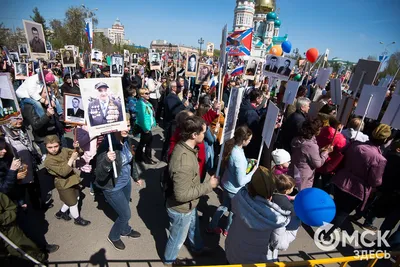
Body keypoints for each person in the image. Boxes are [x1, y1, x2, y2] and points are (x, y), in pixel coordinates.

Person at [163, 116, 219, 265]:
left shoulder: (184, 146)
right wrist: (209, 185)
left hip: (189, 205)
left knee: (192, 229)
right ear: (194, 135)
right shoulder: (184, 162)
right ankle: (169, 261)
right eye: (204, 133)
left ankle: (197, 247)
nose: (205, 136)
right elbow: (181, 195)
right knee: (177, 239)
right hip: (181, 209)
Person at [324, 124, 391, 239]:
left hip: (341, 179)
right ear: (385, 140)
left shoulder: (355, 144)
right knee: (343, 212)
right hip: (356, 189)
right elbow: (375, 180)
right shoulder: (379, 159)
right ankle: (327, 233)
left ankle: (325, 226)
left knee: (336, 205)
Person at [225, 167, 301, 263]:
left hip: (234, 252)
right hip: (256, 261)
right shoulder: (276, 218)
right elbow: (280, 244)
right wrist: (294, 228)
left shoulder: (239, 198)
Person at [95, 114, 142, 251]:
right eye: (123, 125)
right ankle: (114, 236)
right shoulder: (106, 145)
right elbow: (99, 175)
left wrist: (136, 176)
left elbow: (130, 162)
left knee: (124, 208)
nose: (127, 128)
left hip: (125, 182)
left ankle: (125, 230)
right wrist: (107, 161)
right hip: (112, 187)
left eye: (128, 125)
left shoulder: (126, 140)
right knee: (125, 214)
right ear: (114, 127)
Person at [207, 126, 256, 236]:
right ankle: (227, 230)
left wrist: (247, 161)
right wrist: (252, 172)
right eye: (249, 140)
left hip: (227, 184)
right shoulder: (237, 155)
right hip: (234, 189)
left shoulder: (233, 149)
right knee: (233, 211)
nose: (250, 142)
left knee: (223, 206)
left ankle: (212, 226)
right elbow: (240, 181)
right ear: (243, 140)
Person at [43, 135, 90, 226]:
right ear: (45, 147)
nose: (54, 149)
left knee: (76, 198)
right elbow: (63, 172)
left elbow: (79, 153)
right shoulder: (48, 161)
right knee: (73, 203)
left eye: (56, 146)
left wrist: (77, 148)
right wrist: (72, 158)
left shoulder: (63, 150)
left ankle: (61, 213)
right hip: (63, 184)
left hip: (72, 179)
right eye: (50, 147)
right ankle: (77, 219)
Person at [0, 192, 59, 262]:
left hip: (10, 231)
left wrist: (2, 218)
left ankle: (40, 258)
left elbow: (13, 209)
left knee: (28, 247)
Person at [1, 118, 42, 209]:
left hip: (30, 161)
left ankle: (38, 205)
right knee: (22, 189)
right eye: (15, 119)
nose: (19, 121)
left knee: (34, 186)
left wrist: (36, 154)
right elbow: (9, 154)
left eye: (20, 118)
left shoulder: (23, 129)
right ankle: (23, 209)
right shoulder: (5, 135)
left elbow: (30, 144)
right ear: (8, 121)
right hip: (19, 165)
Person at [288, 118, 332, 191]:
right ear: (316, 130)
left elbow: (306, 153)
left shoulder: (297, 139)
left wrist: (320, 150)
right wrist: (326, 152)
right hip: (303, 176)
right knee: (299, 195)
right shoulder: (310, 145)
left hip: (294, 169)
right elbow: (318, 164)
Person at [135, 88, 156, 164]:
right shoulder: (141, 104)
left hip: (147, 126)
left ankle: (140, 157)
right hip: (145, 127)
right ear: (141, 95)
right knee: (147, 143)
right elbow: (141, 117)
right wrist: (146, 128)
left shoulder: (146, 102)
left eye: (148, 93)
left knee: (144, 143)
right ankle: (146, 158)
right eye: (146, 93)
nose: (148, 95)